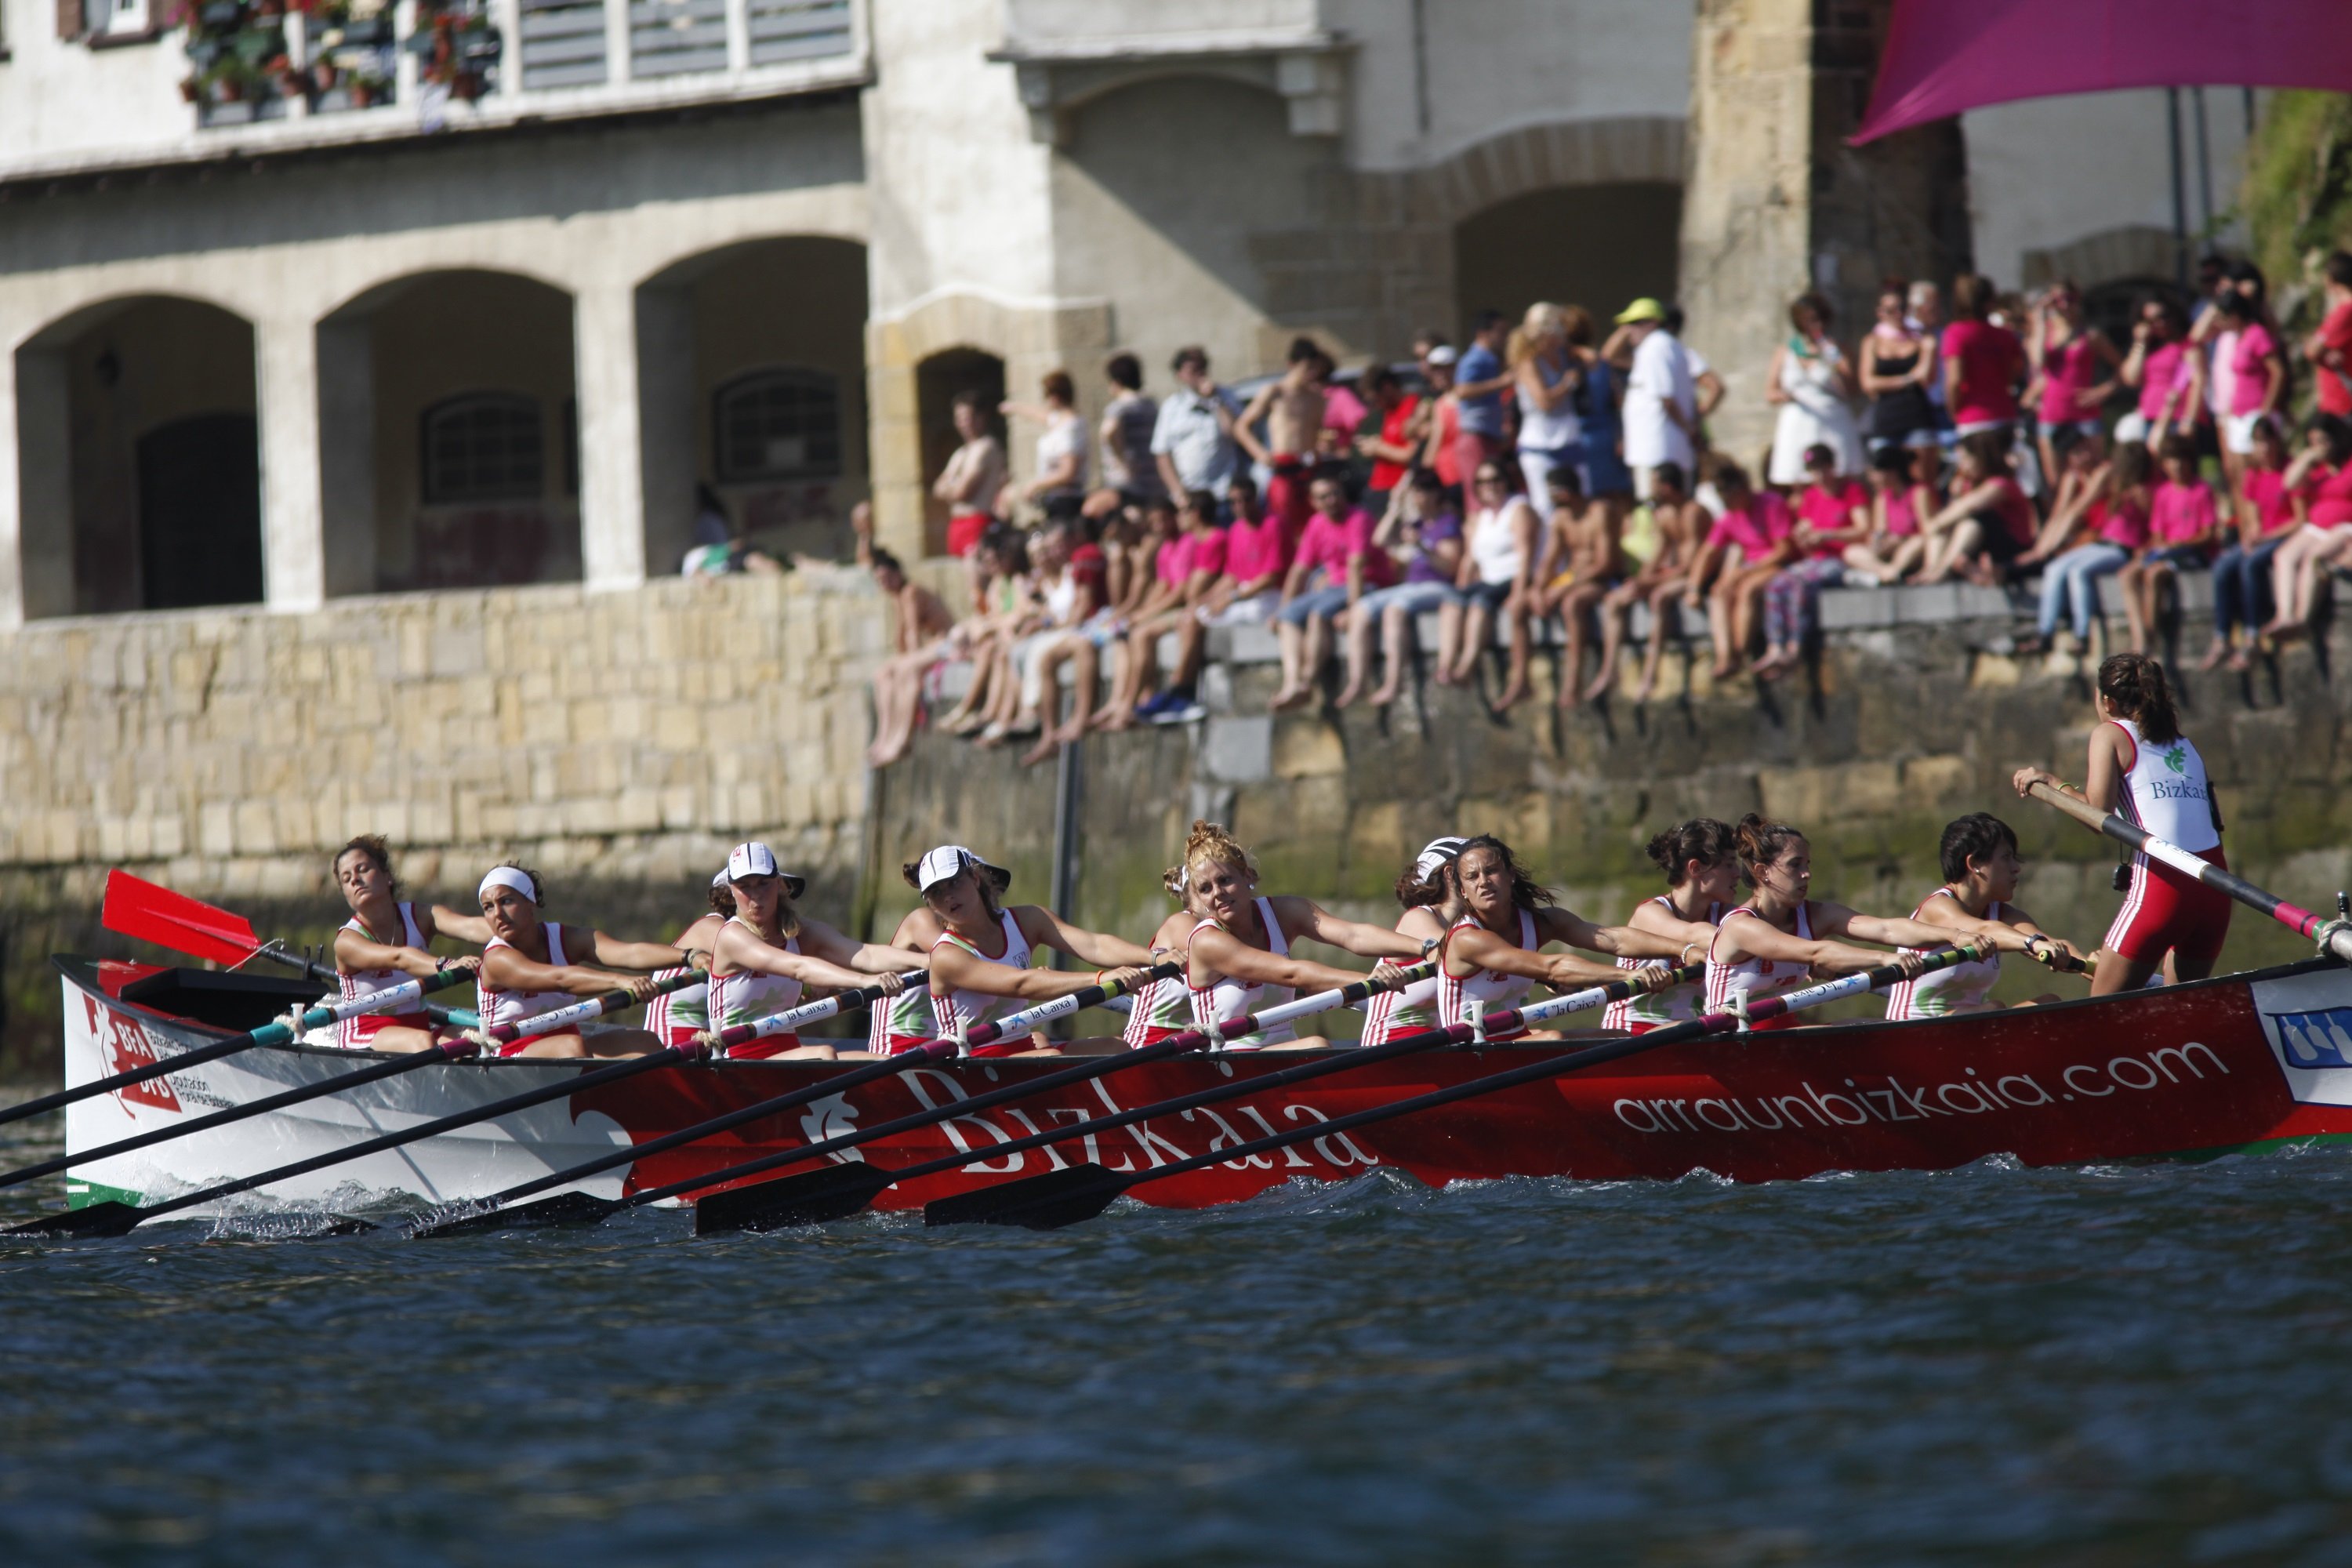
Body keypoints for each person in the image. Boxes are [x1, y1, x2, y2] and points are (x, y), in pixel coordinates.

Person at [2012, 654, 2230, 994]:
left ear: (2108, 702)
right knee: (2182, 1009)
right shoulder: (2185, 744)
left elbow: (2097, 816)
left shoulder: (2110, 734)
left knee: (2104, 1008)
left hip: (2163, 885)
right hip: (2216, 885)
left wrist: (2053, 783)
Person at [1126, 821, 1423, 1051]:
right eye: (1206, 889)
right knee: (1316, 1045)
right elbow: (1292, 974)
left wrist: (1427, 948)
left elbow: (1353, 935)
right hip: (1225, 1062)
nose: (1218, 894)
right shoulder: (1206, 941)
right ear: (1199, 899)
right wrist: (1371, 982)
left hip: (1278, 1056)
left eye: (1225, 880)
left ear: (1248, 877)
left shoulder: (1284, 912)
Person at [1707, 815, 2016, 1029]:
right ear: (1763, 873)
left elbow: (1885, 928)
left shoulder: (1815, 914)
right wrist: (1886, 959)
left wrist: (1955, 936)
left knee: (1877, 1029)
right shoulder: (1741, 927)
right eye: (1795, 865)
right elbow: (1817, 953)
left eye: (1808, 864)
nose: (1807, 874)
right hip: (1729, 1039)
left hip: (1781, 1032)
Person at [898, 844, 1156, 1057]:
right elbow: (1020, 984)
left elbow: (1094, 945)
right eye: (936, 893)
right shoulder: (946, 955)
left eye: (954, 883)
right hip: (970, 1061)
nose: (948, 897)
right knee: (1051, 1057)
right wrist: (1100, 979)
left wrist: (1155, 957)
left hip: (1019, 1050)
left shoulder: (1028, 920)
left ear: (975, 878)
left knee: (1116, 1048)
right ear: (931, 904)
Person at [1437, 836, 1680, 1039]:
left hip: (1514, 1041)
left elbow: (1612, 939)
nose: (1483, 882)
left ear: (1510, 875)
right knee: (1554, 1038)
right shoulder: (1467, 939)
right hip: (1468, 1051)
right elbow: (1552, 968)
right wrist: (1629, 975)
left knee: (1619, 1037)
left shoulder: (1539, 921)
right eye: (1472, 877)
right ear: (1463, 891)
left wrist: (1686, 950)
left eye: (1491, 871)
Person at [704, 842, 916, 1060]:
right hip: (737, 1057)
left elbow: (867, 955)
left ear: (779, 884)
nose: (756, 895)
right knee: (824, 1054)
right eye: (744, 887)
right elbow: (799, 968)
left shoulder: (799, 933)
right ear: (731, 891)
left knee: (883, 1061)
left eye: (763, 884)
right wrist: (865, 981)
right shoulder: (732, 936)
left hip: (788, 1052)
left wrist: (929, 960)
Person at [473, 864, 693, 1058]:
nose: (497, 914)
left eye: (506, 901)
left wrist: (689, 956)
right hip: (506, 1052)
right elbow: (561, 979)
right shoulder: (497, 960)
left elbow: (629, 953)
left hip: (567, 1044)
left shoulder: (564, 939)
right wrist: (620, 981)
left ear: (530, 902)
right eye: (488, 907)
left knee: (644, 1042)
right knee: (572, 1047)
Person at [1883, 815, 2082, 1019]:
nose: (2016, 867)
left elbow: (2051, 943)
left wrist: (2090, 963)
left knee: (2050, 1004)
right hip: (1913, 1030)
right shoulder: (1938, 908)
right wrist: (2034, 944)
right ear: (1974, 863)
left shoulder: (2002, 914)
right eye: (2006, 857)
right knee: (1993, 1008)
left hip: (1968, 1027)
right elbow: (1985, 930)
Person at [327, 835, 483, 1054]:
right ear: (345, 893)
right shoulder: (347, 942)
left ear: (388, 876)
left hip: (419, 1026)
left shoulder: (420, 916)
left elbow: (470, 927)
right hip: (365, 1031)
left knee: (478, 1036)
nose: (355, 879)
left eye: (362, 869)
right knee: (423, 1042)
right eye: (346, 878)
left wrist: (515, 931)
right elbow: (399, 958)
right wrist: (447, 966)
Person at [1099, 488, 1227, 730]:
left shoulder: (1190, 542)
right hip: (1181, 607)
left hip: (1188, 609)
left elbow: (1182, 591)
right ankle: (1134, 701)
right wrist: (1139, 613)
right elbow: (1162, 586)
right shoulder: (1166, 547)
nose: (1158, 526)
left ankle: (1135, 703)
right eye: (1153, 522)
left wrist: (1145, 614)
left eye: (1163, 519)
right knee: (1132, 633)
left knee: (1142, 633)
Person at [1270, 471, 1396, 710]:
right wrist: (1282, 608)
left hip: (1368, 584)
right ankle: (1292, 682)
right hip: (1334, 587)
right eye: (1323, 497)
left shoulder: (1359, 518)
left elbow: (1356, 567)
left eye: (1335, 494)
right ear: (1313, 502)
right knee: (1288, 617)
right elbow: (1299, 570)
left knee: (1319, 614)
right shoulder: (1315, 523)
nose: (1331, 501)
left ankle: (1307, 681)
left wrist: (1353, 609)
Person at [1600, 818, 1737, 1035]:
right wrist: (1749, 942)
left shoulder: (1725, 915)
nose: (1738, 873)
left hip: (1690, 1033)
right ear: (1696, 868)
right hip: (1630, 1033)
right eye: (1729, 865)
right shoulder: (1650, 914)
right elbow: (1691, 933)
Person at [1345, 467, 1464, 709]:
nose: (1417, 497)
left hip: (1437, 587)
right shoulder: (1415, 523)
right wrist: (1394, 508)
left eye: (1420, 492)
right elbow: (1379, 541)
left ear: (1435, 493)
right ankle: (1358, 681)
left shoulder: (1448, 522)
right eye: (1414, 492)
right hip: (1411, 588)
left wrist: (1421, 546)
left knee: (1395, 609)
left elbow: (1449, 567)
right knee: (1361, 608)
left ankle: (1394, 682)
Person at [1752, 444, 1868, 680]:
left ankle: (1795, 648)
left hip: (1842, 559)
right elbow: (1804, 533)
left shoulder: (1851, 491)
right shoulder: (1811, 496)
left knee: (1799, 586)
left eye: (1822, 468)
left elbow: (1864, 529)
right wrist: (1803, 536)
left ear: (1832, 466)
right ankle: (1775, 647)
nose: (1818, 475)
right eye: (1813, 470)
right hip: (1815, 560)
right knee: (1776, 584)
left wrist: (1829, 535)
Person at [1597, 461, 1710, 704]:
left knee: (1659, 598)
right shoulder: (1665, 514)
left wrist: (1651, 583)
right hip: (1673, 574)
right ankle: (1609, 670)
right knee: (1614, 600)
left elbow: (1690, 566)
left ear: (1667, 487)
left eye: (1653, 484)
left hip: (1697, 576)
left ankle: (1650, 674)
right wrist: (1640, 580)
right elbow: (1658, 555)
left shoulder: (1693, 512)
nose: (1649, 490)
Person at [2020, 445, 2147, 656]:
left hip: (2123, 549)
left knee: (2079, 571)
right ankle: (2045, 633)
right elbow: (2075, 507)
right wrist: (2045, 548)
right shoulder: (2115, 490)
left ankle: (2082, 634)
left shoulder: (2143, 491)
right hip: (2102, 544)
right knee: (2054, 568)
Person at [1441, 459, 1540, 706]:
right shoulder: (1479, 517)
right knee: (1452, 602)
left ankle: (1467, 667)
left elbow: (1525, 554)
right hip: (1487, 579)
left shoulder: (1518, 508)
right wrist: (1461, 589)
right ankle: (1445, 666)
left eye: (1495, 479)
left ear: (1506, 481)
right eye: (1482, 482)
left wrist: (1519, 592)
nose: (1489, 486)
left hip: (1513, 576)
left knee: (1479, 604)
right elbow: (1470, 560)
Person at [2204, 417, 2299, 671]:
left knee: (2251, 565)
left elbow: (2300, 519)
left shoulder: (2290, 471)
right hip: (2263, 537)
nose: (2264, 448)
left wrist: (2265, 538)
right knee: (2223, 567)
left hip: (2285, 536)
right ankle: (2222, 636)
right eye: (2258, 442)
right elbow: (2253, 518)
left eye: (2268, 441)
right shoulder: (2253, 474)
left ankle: (2252, 634)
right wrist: (2251, 536)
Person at [1360, 837, 1470, 1048]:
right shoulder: (1417, 917)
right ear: (1450, 873)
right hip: (1392, 1047)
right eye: (1474, 869)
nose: (1486, 879)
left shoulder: (1469, 925)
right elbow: (1458, 955)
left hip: (1441, 1045)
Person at [2116, 433, 2220, 655]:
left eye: (2182, 460)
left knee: (2154, 574)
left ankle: (2149, 639)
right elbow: (2158, 533)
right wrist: (2150, 548)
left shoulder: (2201, 491)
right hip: (2167, 552)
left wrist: (2182, 542)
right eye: (2172, 460)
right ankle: (2139, 636)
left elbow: (2208, 534)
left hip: (2192, 553)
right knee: (2128, 575)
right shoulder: (2163, 493)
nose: (2177, 466)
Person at [860, 535, 956, 768]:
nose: (884, 584)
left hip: (946, 643)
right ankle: (884, 736)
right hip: (933, 647)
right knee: (882, 674)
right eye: (879, 581)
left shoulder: (911, 592)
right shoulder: (898, 598)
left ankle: (902, 739)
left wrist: (910, 660)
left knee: (907, 670)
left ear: (898, 574)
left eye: (887, 578)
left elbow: (913, 634)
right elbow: (901, 639)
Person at [1531, 464, 1623, 706]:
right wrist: (1538, 589)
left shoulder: (1599, 511)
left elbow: (1605, 564)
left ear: (1564, 492)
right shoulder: (1561, 518)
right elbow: (1548, 561)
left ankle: (1574, 680)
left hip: (1603, 580)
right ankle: (1523, 681)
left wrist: (1563, 588)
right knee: (1520, 604)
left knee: (1572, 603)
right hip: (1575, 578)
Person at [1696, 461, 1793, 680]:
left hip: (1778, 565)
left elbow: (1784, 550)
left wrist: (1747, 572)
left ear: (1741, 489)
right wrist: (1693, 588)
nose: (1725, 503)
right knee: (1719, 591)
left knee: (1747, 590)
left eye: (1727, 497)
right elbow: (1708, 551)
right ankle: (1724, 656)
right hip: (1750, 568)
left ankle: (1739, 654)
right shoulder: (1729, 516)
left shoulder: (1771, 504)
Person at [2260, 416, 2352, 641]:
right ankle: (2285, 616)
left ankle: (2302, 620)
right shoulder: (2316, 470)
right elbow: (2288, 483)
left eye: (2323, 441)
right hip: (2316, 528)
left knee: (2314, 558)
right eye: (2314, 442)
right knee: (2284, 556)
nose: (2320, 447)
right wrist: (2308, 457)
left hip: (2345, 527)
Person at [2024, 280, 2121, 485]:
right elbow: (2039, 361)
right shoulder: (2043, 334)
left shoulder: (2091, 335)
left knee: (2094, 476)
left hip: (2085, 413)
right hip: (2052, 413)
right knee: (2056, 482)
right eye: (2058, 300)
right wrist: (2040, 319)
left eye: (2069, 299)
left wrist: (2105, 390)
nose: (2064, 305)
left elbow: (2122, 368)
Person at [1612, 298, 1708, 500]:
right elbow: (1609, 356)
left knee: (1654, 502)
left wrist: (1689, 429)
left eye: (1634, 323)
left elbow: (1666, 398)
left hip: (1656, 448)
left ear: (1652, 323)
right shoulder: (1662, 346)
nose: (1628, 330)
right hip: (1661, 446)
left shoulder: (1655, 347)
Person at [1766, 292, 1864, 485]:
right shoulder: (1785, 351)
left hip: (1833, 419)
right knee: (1800, 480)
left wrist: (1833, 357)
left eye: (1817, 319)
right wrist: (1785, 396)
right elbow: (1770, 392)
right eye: (1807, 320)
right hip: (1800, 421)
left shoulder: (1838, 349)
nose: (1814, 325)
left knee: (1840, 478)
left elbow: (1853, 389)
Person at [1237, 337, 1330, 538]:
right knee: (1284, 527)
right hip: (1283, 467)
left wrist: (1325, 443)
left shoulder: (1317, 397)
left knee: (1314, 527)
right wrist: (1260, 454)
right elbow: (1242, 426)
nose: (1312, 374)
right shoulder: (1275, 392)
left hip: (1309, 468)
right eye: (1307, 368)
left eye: (1315, 369)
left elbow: (1319, 432)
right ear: (1292, 365)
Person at [1913, 431, 2034, 585]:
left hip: (2013, 548)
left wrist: (1934, 524)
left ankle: (1943, 571)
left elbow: (1969, 506)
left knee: (1972, 522)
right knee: (1942, 530)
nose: (1962, 466)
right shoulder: (1967, 484)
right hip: (1982, 548)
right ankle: (1931, 569)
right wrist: (1955, 497)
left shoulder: (2001, 484)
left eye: (1966, 459)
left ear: (1981, 458)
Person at [1511, 303, 1586, 516]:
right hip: (1540, 442)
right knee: (1545, 506)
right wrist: (1567, 384)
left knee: (1580, 499)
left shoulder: (1564, 355)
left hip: (1569, 437)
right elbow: (1544, 403)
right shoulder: (1528, 362)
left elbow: (1592, 359)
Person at [644, 870, 733, 1049]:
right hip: (669, 1044)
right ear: (730, 897)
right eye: (755, 888)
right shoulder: (711, 927)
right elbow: (761, 959)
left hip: (709, 1041)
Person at [1939, 273, 2027, 443]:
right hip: (2005, 413)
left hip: (1974, 418)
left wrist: (1952, 410)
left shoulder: (1956, 333)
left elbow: (1955, 380)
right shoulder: (2005, 335)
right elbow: (2015, 371)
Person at [2212, 289, 2285, 491]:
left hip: (2257, 411)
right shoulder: (2239, 338)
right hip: (2239, 413)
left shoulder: (2257, 334)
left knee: (2258, 474)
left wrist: (2266, 409)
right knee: (2239, 476)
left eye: (2223, 317)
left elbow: (2278, 372)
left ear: (2235, 315)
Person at [1859, 281, 1940, 456]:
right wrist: (1909, 379)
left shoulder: (1921, 339)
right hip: (1886, 418)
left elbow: (1927, 379)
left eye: (1901, 308)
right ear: (1880, 312)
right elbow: (1868, 383)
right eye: (1890, 310)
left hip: (1917, 415)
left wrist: (1929, 352)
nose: (1897, 314)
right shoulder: (1872, 342)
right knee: (1886, 469)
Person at [1151, 346, 1243, 499]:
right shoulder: (1172, 406)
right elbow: (1162, 453)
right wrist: (1178, 492)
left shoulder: (1225, 397)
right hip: (1190, 494)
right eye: (1193, 370)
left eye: (1202, 368)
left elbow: (1234, 434)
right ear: (1180, 375)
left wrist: (1216, 400)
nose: (1199, 374)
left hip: (1223, 491)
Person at [1842, 441, 1933, 585]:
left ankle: (1885, 574)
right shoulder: (1882, 497)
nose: (1872, 478)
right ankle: (1887, 573)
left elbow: (1927, 529)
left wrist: (1901, 540)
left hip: (1913, 548)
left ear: (1893, 472)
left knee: (1916, 543)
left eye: (1876, 473)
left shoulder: (1919, 492)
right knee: (1852, 552)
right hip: (1890, 552)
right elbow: (1880, 531)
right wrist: (1881, 542)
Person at [2118, 296, 2201, 448]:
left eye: (2163, 316)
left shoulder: (2186, 344)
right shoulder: (2149, 348)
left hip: (2177, 417)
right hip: (2150, 415)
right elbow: (2131, 378)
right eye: (2151, 320)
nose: (2160, 323)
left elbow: (2197, 381)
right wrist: (2140, 342)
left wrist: (2190, 419)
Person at [933, 390, 1007, 561]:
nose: (963, 424)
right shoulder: (960, 453)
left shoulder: (987, 447)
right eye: (959, 418)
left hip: (977, 522)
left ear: (981, 417)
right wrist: (954, 487)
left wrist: (950, 486)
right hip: (957, 524)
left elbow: (963, 491)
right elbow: (937, 488)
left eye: (967, 418)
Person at [1001, 372, 1087, 514]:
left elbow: (1067, 471)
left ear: (1054, 396)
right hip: (1055, 498)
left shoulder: (1071, 427)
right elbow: (1040, 415)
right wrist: (1015, 408)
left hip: (1066, 500)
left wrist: (1035, 485)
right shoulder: (1059, 421)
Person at [1094, 352, 1163, 510]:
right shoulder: (1151, 406)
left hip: (1127, 483)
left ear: (1116, 382)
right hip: (1153, 480)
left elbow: (1109, 432)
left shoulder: (1119, 407)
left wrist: (1122, 460)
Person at [1352, 365, 1421, 520]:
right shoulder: (1389, 411)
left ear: (1387, 387)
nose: (1374, 405)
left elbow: (1411, 454)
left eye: (1374, 399)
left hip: (1397, 488)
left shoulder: (1412, 406)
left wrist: (1378, 448)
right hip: (1377, 487)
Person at [1453, 310, 1513, 486]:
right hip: (1476, 436)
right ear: (1483, 333)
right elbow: (1462, 391)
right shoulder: (1475, 358)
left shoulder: (1489, 358)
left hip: (1489, 437)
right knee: (1479, 494)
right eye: (1500, 332)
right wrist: (1501, 382)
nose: (1505, 338)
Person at [679, 484, 784, 578]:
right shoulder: (708, 520)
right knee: (752, 560)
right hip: (726, 557)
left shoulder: (708, 520)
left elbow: (721, 542)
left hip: (725, 554)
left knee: (753, 560)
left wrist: (727, 548)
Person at [2303, 250, 2352, 426]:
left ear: (2330, 279)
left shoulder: (2345, 313)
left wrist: (2319, 349)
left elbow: (2312, 350)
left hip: (2342, 400)